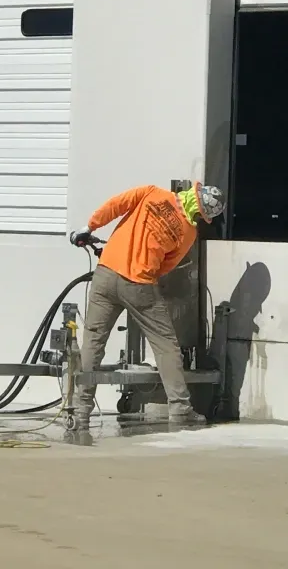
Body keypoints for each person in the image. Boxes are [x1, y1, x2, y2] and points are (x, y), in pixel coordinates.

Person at [70, 181, 226, 428]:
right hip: (140, 285)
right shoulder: (188, 232)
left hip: (106, 273)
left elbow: (115, 205)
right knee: (166, 346)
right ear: (201, 213)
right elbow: (168, 265)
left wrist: (88, 227)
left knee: (93, 342)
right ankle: (180, 408)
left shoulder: (152, 193)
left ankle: (80, 412)